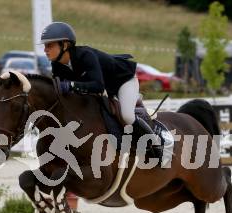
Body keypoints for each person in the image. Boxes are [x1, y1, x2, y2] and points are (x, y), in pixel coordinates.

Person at [40, 22, 162, 157]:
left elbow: (98, 86)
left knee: (127, 115)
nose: (45, 49)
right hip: (105, 87)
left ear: (65, 45)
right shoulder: (56, 65)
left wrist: (72, 85)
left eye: (49, 45)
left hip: (123, 81)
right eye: (45, 46)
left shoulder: (85, 55)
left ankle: (155, 144)